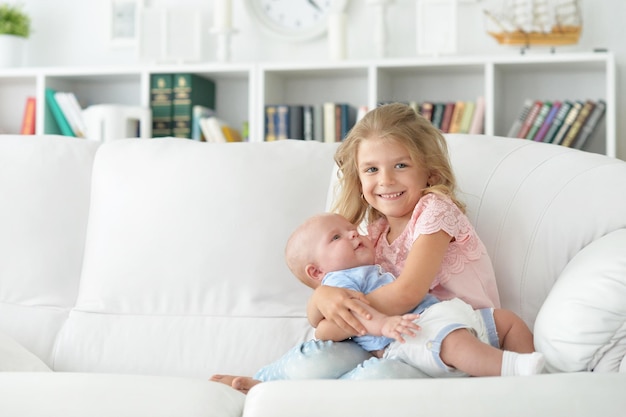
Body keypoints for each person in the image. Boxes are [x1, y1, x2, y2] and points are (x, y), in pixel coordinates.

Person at [211, 103, 538, 392]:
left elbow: (408, 293)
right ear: (359, 178)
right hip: (393, 338)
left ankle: (309, 400)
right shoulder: (374, 235)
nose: (386, 180)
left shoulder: (434, 211)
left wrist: (341, 316)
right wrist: (323, 298)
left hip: (454, 336)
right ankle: (267, 385)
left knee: (377, 378)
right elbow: (321, 322)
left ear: (428, 170)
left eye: (401, 165)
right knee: (318, 360)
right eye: (372, 169)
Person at [286, 212, 544, 377]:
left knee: (507, 322)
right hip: (404, 336)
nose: (353, 232)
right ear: (317, 271)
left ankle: (529, 373)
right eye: (336, 237)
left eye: (351, 227)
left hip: (434, 316)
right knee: (452, 342)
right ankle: (512, 368)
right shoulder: (339, 282)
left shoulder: (366, 269)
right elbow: (336, 326)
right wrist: (384, 324)